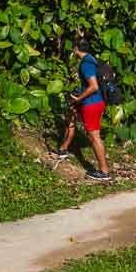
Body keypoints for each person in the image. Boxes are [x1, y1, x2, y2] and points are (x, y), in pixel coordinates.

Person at [50, 39, 110, 181]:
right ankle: (63, 149)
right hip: (92, 101)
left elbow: (94, 86)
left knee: (94, 136)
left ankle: (104, 171)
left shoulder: (86, 64)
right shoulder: (91, 59)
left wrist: (79, 98)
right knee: (71, 115)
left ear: (76, 49)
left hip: (92, 104)